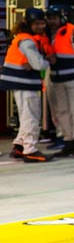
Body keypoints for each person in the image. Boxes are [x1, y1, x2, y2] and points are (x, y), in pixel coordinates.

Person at [3, 9, 55, 163]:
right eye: (37, 24)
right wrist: (46, 61)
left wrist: (34, 64)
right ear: (29, 24)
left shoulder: (21, 38)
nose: (41, 26)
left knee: (26, 116)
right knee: (31, 117)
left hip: (19, 83)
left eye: (42, 23)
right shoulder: (27, 41)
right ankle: (30, 149)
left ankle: (19, 145)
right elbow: (39, 64)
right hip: (24, 83)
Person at [44, 6, 74, 159]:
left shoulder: (71, 30)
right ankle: (68, 142)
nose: (51, 22)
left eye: (54, 18)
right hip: (57, 80)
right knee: (62, 113)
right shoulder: (46, 35)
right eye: (49, 18)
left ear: (61, 18)